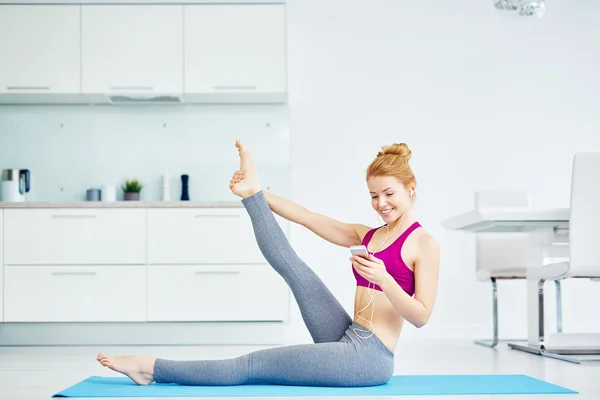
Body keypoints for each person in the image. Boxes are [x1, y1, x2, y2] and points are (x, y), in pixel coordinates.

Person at [96, 140, 440, 387]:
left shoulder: (424, 243)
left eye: (389, 194)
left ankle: (151, 368)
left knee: (250, 365)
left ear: (410, 189)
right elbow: (308, 217)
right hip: (349, 333)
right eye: (374, 195)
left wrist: (385, 278)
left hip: (370, 357)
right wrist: (257, 192)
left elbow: (421, 316)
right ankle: (251, 196)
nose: (381, 204)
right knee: (292, 266)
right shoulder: (371, 235)